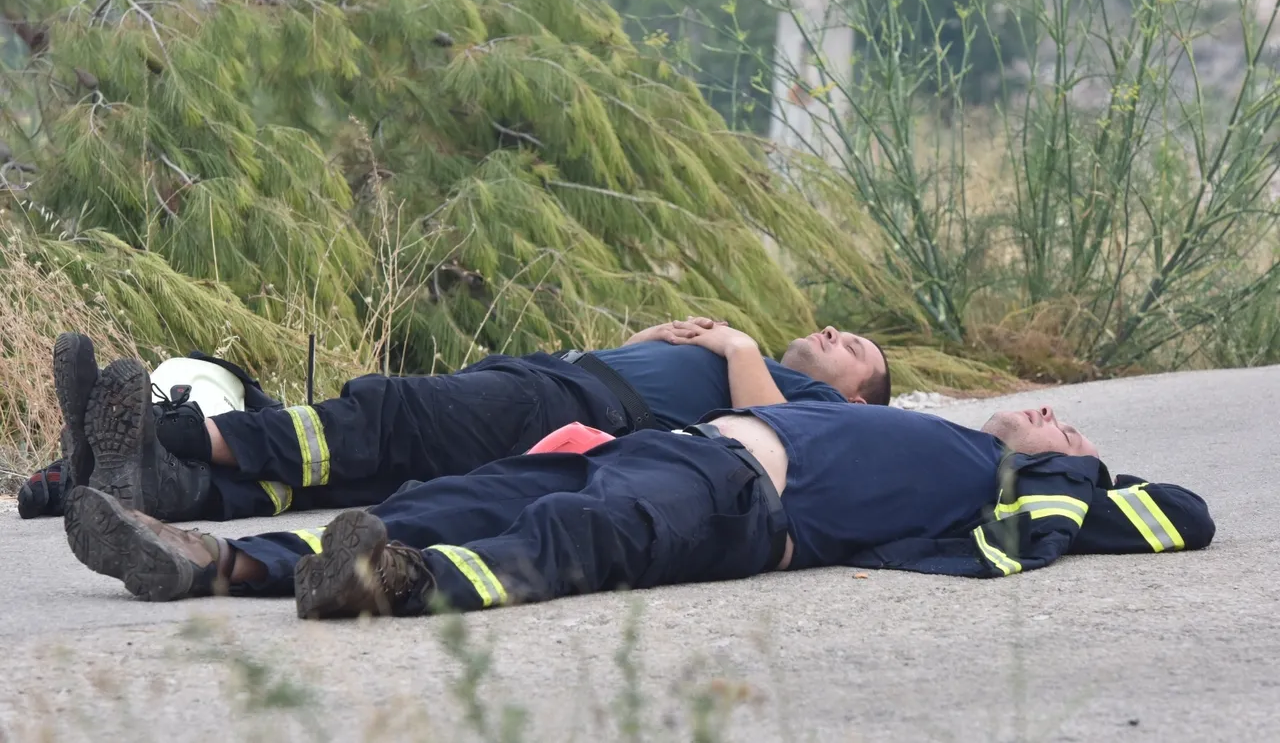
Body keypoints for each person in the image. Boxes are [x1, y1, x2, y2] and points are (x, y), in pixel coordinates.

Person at [62, 398, 1214, 620]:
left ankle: (401, 585)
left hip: (730, 496)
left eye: (1070, 422)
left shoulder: (1009, 488)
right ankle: (217, 559)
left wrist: (1068, 468)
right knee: (436, 495)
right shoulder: (944, 430)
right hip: (658, 446)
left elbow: (1187, 515)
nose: (1051, 409)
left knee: (585, 543)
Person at [45, 317, 890, 523]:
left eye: (851, 345)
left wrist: (739, 346)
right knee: (364, 471)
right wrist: (645, 340)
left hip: (570, 406)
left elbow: (781, 437)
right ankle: (139, 486)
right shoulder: (759, 364)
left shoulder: (811, 405)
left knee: (388, 414)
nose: (831, 333)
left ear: (856, 397)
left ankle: (167, 436)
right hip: (563, 385)